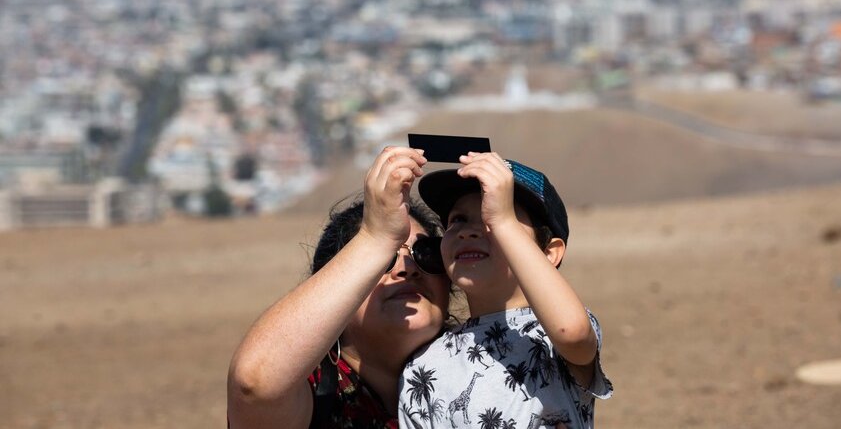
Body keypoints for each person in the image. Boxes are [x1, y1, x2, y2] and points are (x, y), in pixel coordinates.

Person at [228, 147, 451, 429]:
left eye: (425, 253)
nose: (406, 269)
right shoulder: (314, 394)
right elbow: (255, 383)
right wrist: (375, 238)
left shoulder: (476, 375)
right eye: (384, 259)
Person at [398, 152, 612, 429]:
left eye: (494, 216)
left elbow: (570, 332)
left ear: (549, 253)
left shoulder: (553, 337)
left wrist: (503, 222)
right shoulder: (424, 365)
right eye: (458, 220)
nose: (468, 231)